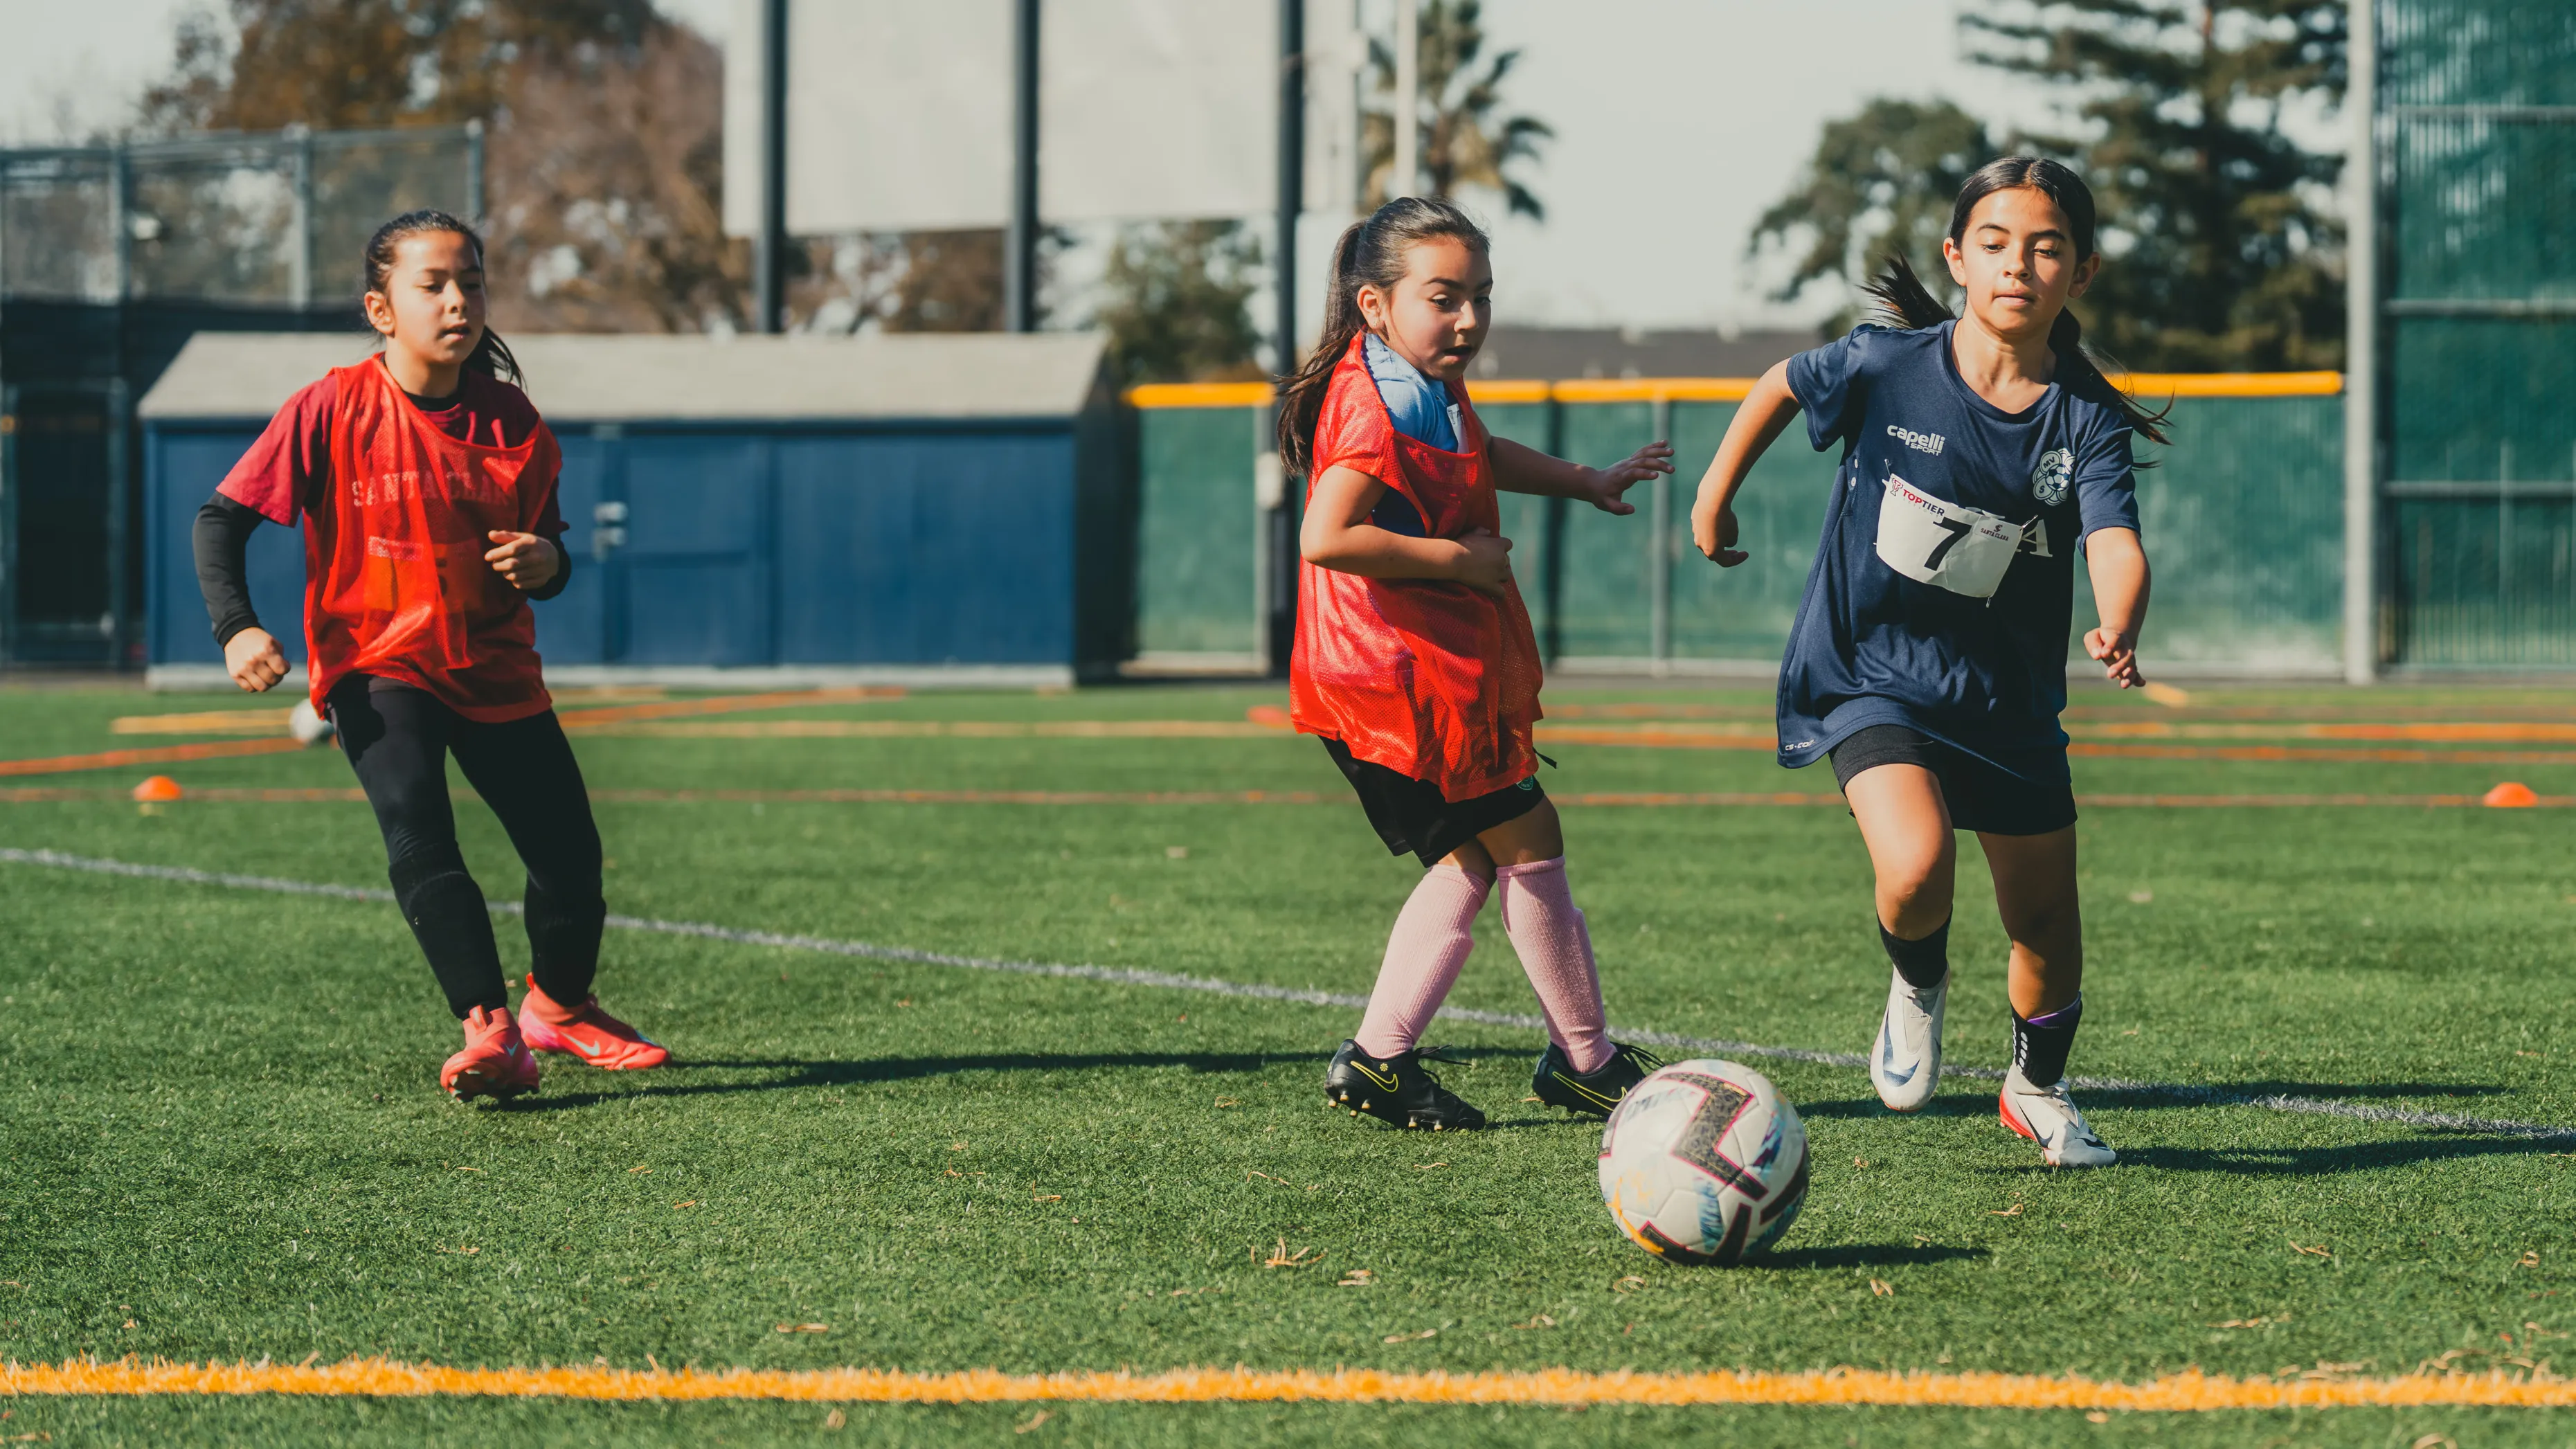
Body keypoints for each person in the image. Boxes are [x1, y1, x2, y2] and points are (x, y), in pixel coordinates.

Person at [1687, 158, 2163, 1168]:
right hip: (1870, 674)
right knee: (1915, 866)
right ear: (1956, 257)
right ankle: (1917, 982)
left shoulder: (2084, 417)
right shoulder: (1886, 363)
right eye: (1994, 243)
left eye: (2045, 247)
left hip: (2009, 703)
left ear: (2080, 272)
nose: (2017, 265)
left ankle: (2036, 1089)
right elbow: (1782, 382)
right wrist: (1714, 494)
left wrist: (2119, 617)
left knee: (2044, 927)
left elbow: (2114, 539)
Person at [192, 209, 666, 1103]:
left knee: (570, 858)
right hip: (377, 668)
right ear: (381, 309)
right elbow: (220, 521)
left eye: (472, 282)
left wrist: (548, 561)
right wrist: (237, 629)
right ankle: (489, 1031)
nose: (459, 300)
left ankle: (558, 1011)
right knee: (419, 827)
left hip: (493, 668)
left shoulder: (514, 420)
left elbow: (550, 558)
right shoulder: (329, 407)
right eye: (434, 285)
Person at [1279, 196, 1676, 1131]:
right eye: (1444, 298)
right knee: (1529, 843)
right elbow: (1327, 536)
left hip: (1415, 678)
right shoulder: (1375, 404)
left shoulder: (1420, 379)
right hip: (1398, 685)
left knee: (1473, 859)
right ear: (1376, 306)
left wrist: (1582, 481)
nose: (1468, 319)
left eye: (1481, 296)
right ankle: (1581, 1061)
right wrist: (1458, 561)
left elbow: (1479, 454)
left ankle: (1385, 1061)